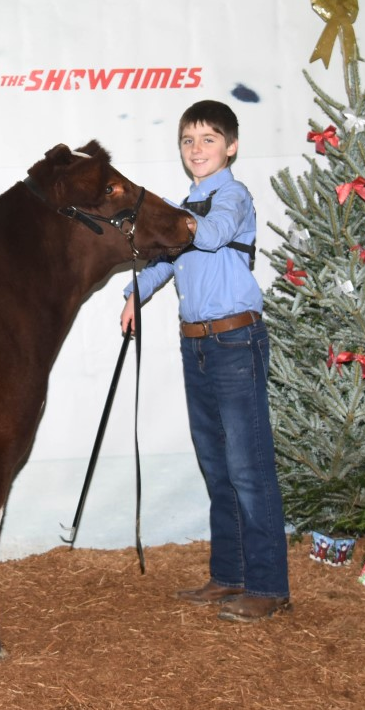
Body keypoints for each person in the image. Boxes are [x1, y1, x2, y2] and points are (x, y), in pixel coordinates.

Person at [120, 99, 290, 622]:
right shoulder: (184, 209)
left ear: (231, 147)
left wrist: (170, 219)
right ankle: (229, 575)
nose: (197, 149)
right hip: (195, 344)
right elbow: (161, 264)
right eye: (188, 141)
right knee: (217, 465)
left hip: (235, 342)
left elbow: (212, 235)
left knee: (248, 467)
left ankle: (268, 587)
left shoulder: (232, 197)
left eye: (209, 139)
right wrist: (133, 294)